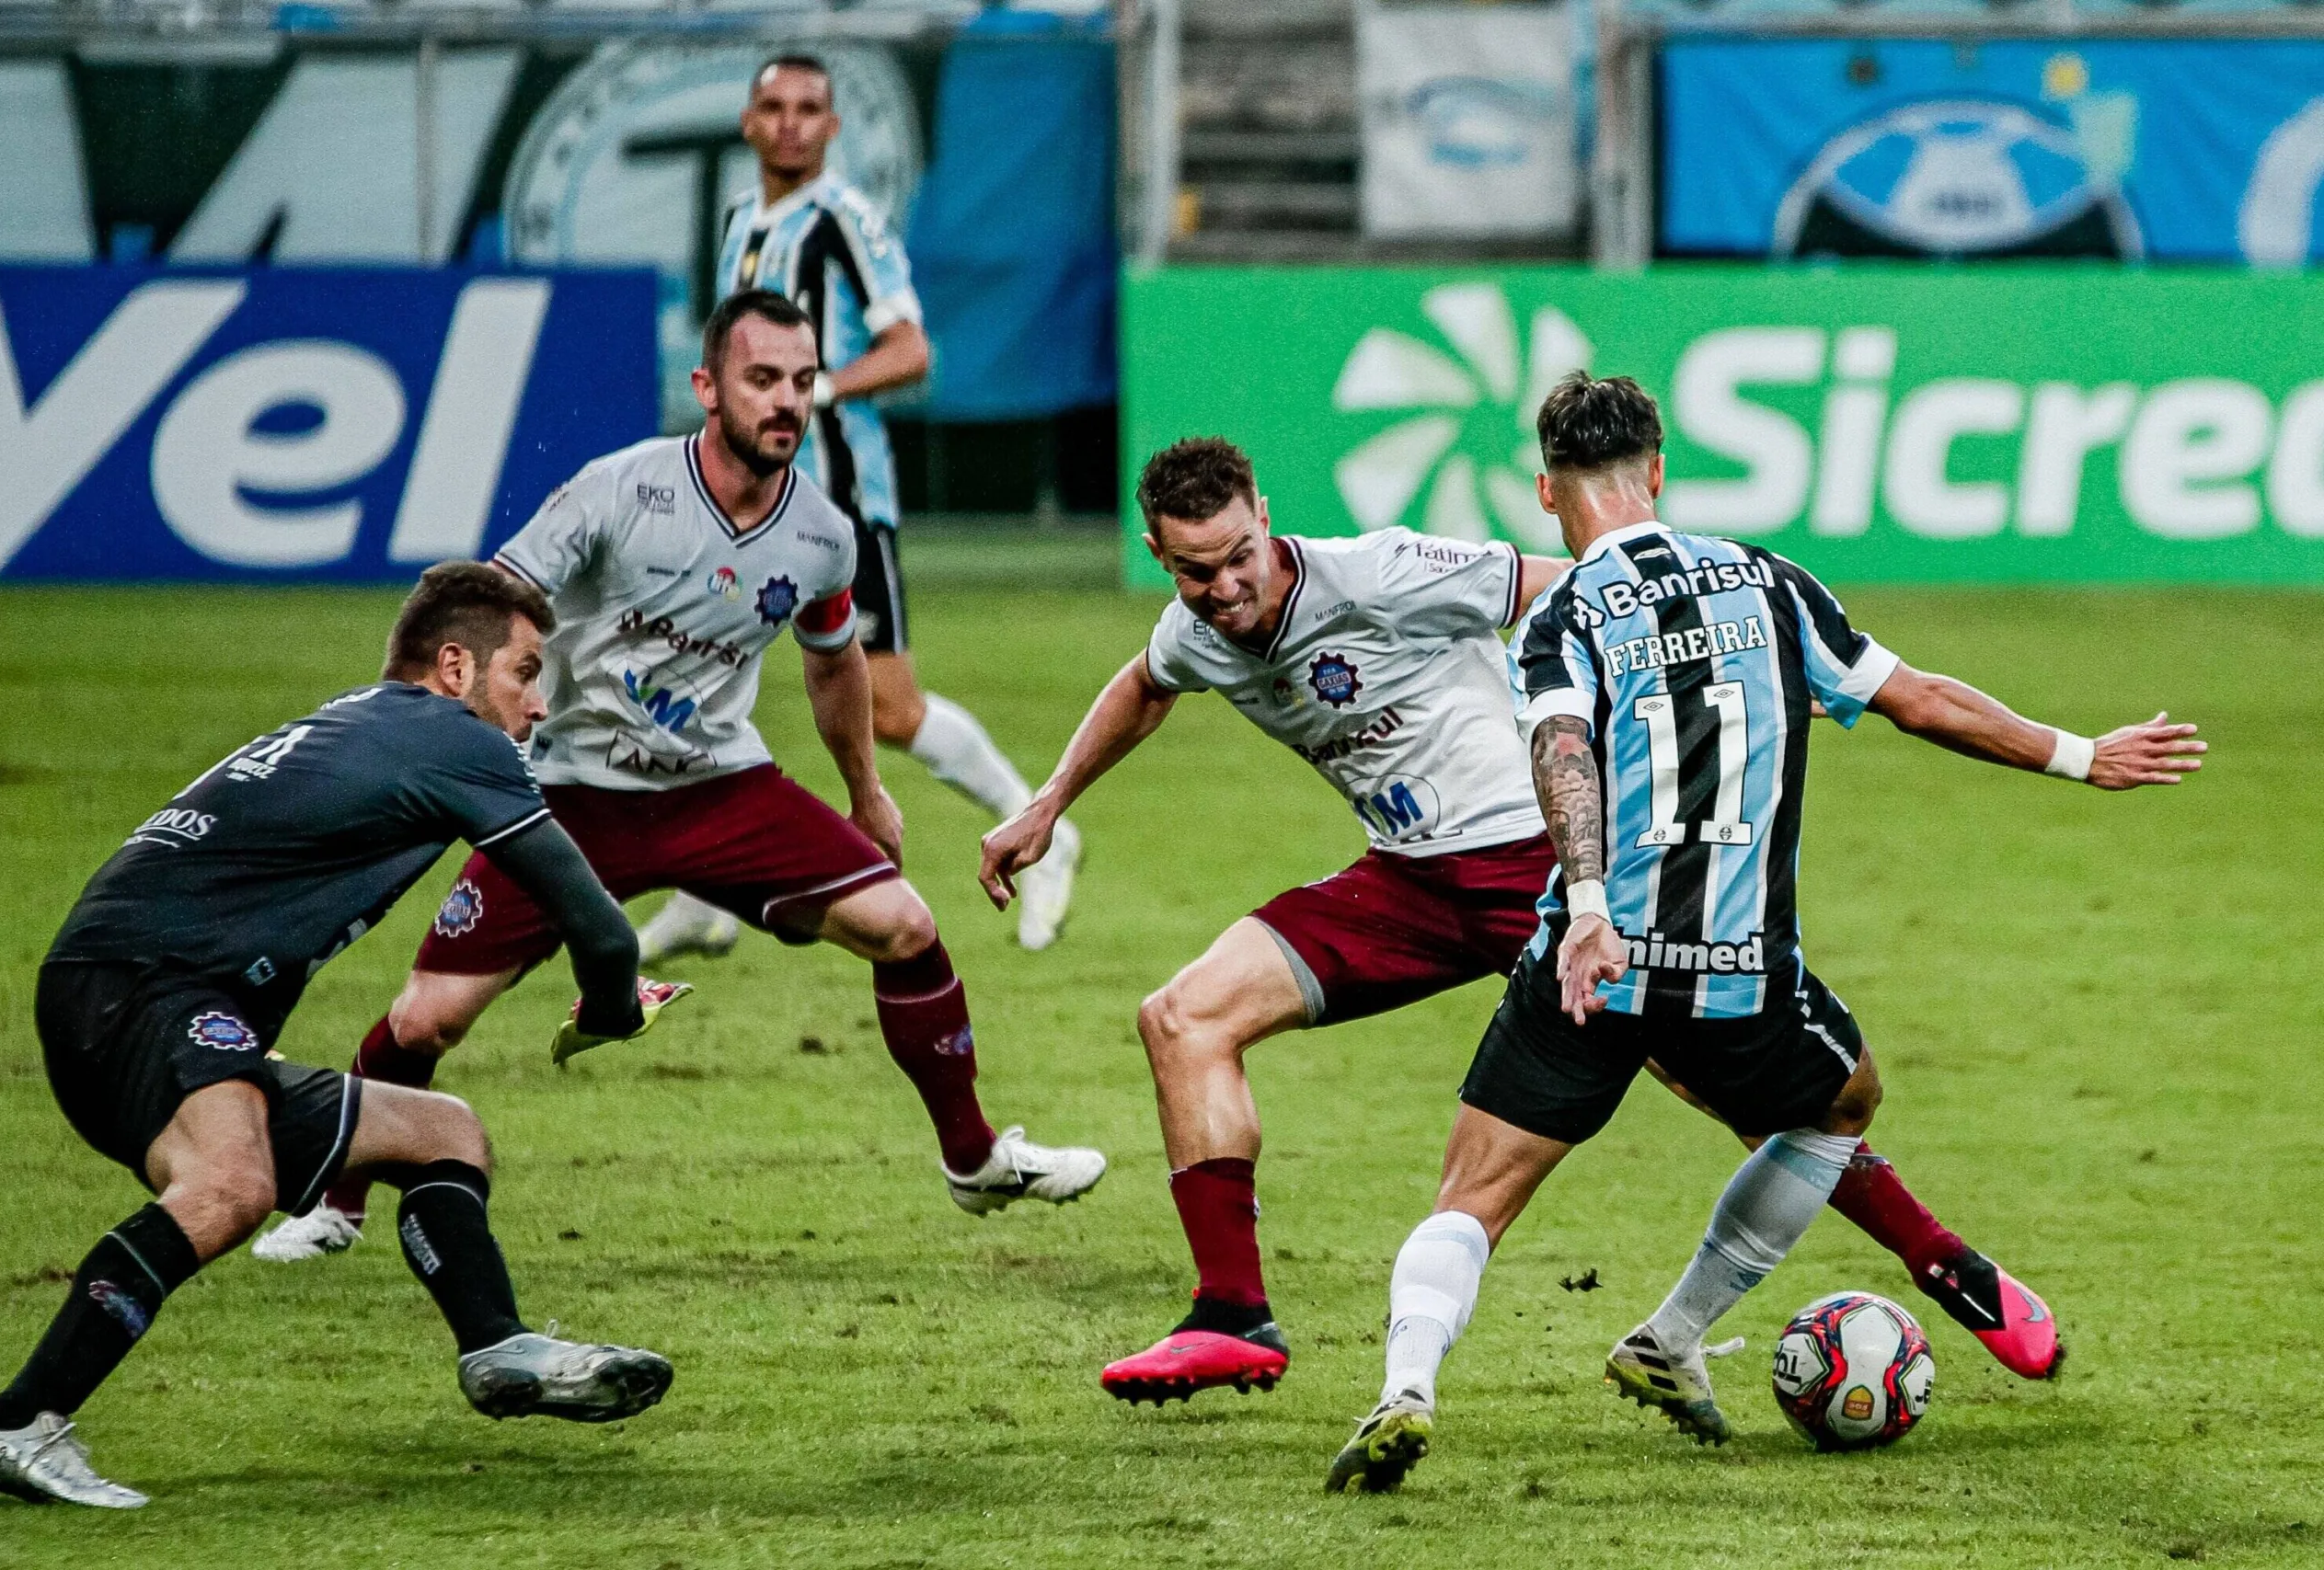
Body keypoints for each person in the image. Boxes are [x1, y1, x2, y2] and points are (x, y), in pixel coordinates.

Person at [980, 435, 2070, 1409]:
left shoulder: (1383, 571)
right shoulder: (1196, 629)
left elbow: (1579, 589)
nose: (1224, 588)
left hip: (1539, 871)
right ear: (1160, 557)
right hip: (1407, 884)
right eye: (1194, 570)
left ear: (1265, 519)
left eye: (1237, 558)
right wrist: (1048, 801)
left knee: (1747, 1100)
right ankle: (1230, 1317)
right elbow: (1146, 680)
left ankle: (1953, 1270)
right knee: (1181, 1019)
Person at [1324, 372, 2203, 1493]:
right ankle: (1671, 1333)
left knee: (1473, 1198)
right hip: (1739, 974)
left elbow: (1560, 753)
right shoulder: (1768, 580)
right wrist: (2079, 754)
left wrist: (1588, 910)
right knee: (1844, 1101)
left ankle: (1407, 1388)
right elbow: (1915, 696)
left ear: (1547, 493)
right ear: (1657, 471)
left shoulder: (1556, 616)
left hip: (1593, 966)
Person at [250, 291, 1104, 1266]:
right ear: (707, 387)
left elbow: (832, 662)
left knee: (905, 927)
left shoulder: (824, 534)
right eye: (761, 379)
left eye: (801, 380)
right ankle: (335, 1203)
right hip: (567, 801)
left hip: (720, 793)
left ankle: (975, 1159)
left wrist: (866, 791)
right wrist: (454, 739)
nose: (785, 401)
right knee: (425, 1018)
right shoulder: (617, 491)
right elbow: (493, 603)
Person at [0, 565, 680, 1509]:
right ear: (455, 666)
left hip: (127, 984)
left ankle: (496, 1345)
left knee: (442, 1133)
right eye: (525, 672)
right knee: (229, 1186)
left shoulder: (365, 718)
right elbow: (599, 927)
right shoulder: (447, 736)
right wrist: (613, 1008)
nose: (538, 704)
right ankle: (19, 1425)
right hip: (147, 987)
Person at [639, 52, 1083, 962]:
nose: (793, 122)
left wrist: (819, 390)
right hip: (747, 503)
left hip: (837, 505)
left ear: (833, 127)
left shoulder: (843, 218)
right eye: (776, 106)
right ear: (749, 121)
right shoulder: (741, 223)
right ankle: (700, 895)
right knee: (688, 665)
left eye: (811, 108)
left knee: (887, 705)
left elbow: (913, 350)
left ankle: (1040, 827)